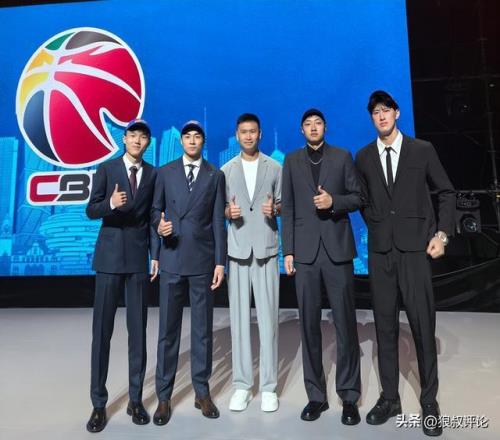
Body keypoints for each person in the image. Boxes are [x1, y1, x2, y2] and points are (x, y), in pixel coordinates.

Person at [355, 90, 455, 437]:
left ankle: (429, 401)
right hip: (381, 253)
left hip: (415, 252)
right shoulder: (364, 156)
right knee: (385, 328)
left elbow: (446, 192)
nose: (381, 116)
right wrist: (379, 227)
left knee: (423, 326)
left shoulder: (421, 150)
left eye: (386, 110)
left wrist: (442, 235)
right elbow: (363, 201)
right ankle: (389, 398)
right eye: (375, 112)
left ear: (397, 113)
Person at [281, 109, 362, 425]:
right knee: (309, 326)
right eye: (308, 124)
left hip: (337, 251)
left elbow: (358, 197)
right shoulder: (291, 161)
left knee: (345, 325)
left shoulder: (342, 156)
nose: (313, 128)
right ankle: (316, 396)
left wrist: (334, 202)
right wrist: (288, 250)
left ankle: (349, 396)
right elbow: (287, 208)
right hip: (304, 254)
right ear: (301, 130)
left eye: (318, 123)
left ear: (325, 127)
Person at [85, 119, 159, 433]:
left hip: (138, 261)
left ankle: (136, 400)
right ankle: (98, 404)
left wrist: (155, 254)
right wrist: (111, 204)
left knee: (137, 333)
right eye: (133, 135)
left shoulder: (153, 174)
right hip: (109, 259)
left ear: (147, 142)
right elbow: (91, 209)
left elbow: (154, 216)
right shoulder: (107, 169)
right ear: (124, 139)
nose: (137, 141)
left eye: (143, 137)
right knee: (102, 333)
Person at [152, 120, 226, 425]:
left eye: (197, 137)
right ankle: (164, 396)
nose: (192, 141)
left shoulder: (215, 175)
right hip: (171, 257)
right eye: (188, 137)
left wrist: (220, 262)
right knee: (168, 331)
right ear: (182, 142)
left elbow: (218, 220)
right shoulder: (165, 172)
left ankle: (201, 391)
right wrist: (159, 226)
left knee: (202, 330)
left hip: (202, 262)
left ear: (203, 142)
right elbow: (154, 210)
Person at [221, 113, 282, 412]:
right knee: (239, 322)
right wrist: (227, 213)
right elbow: (219, 208)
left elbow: (284, 203)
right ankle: (242, 385)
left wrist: (276, 209)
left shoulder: (275, 167)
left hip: (267, 249)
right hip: (238, 250)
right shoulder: (225, 170)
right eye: (243, 132)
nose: (248, 136)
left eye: (253, 131)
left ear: (260, 134)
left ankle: (269, 387)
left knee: (269, 320)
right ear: (237, 135)